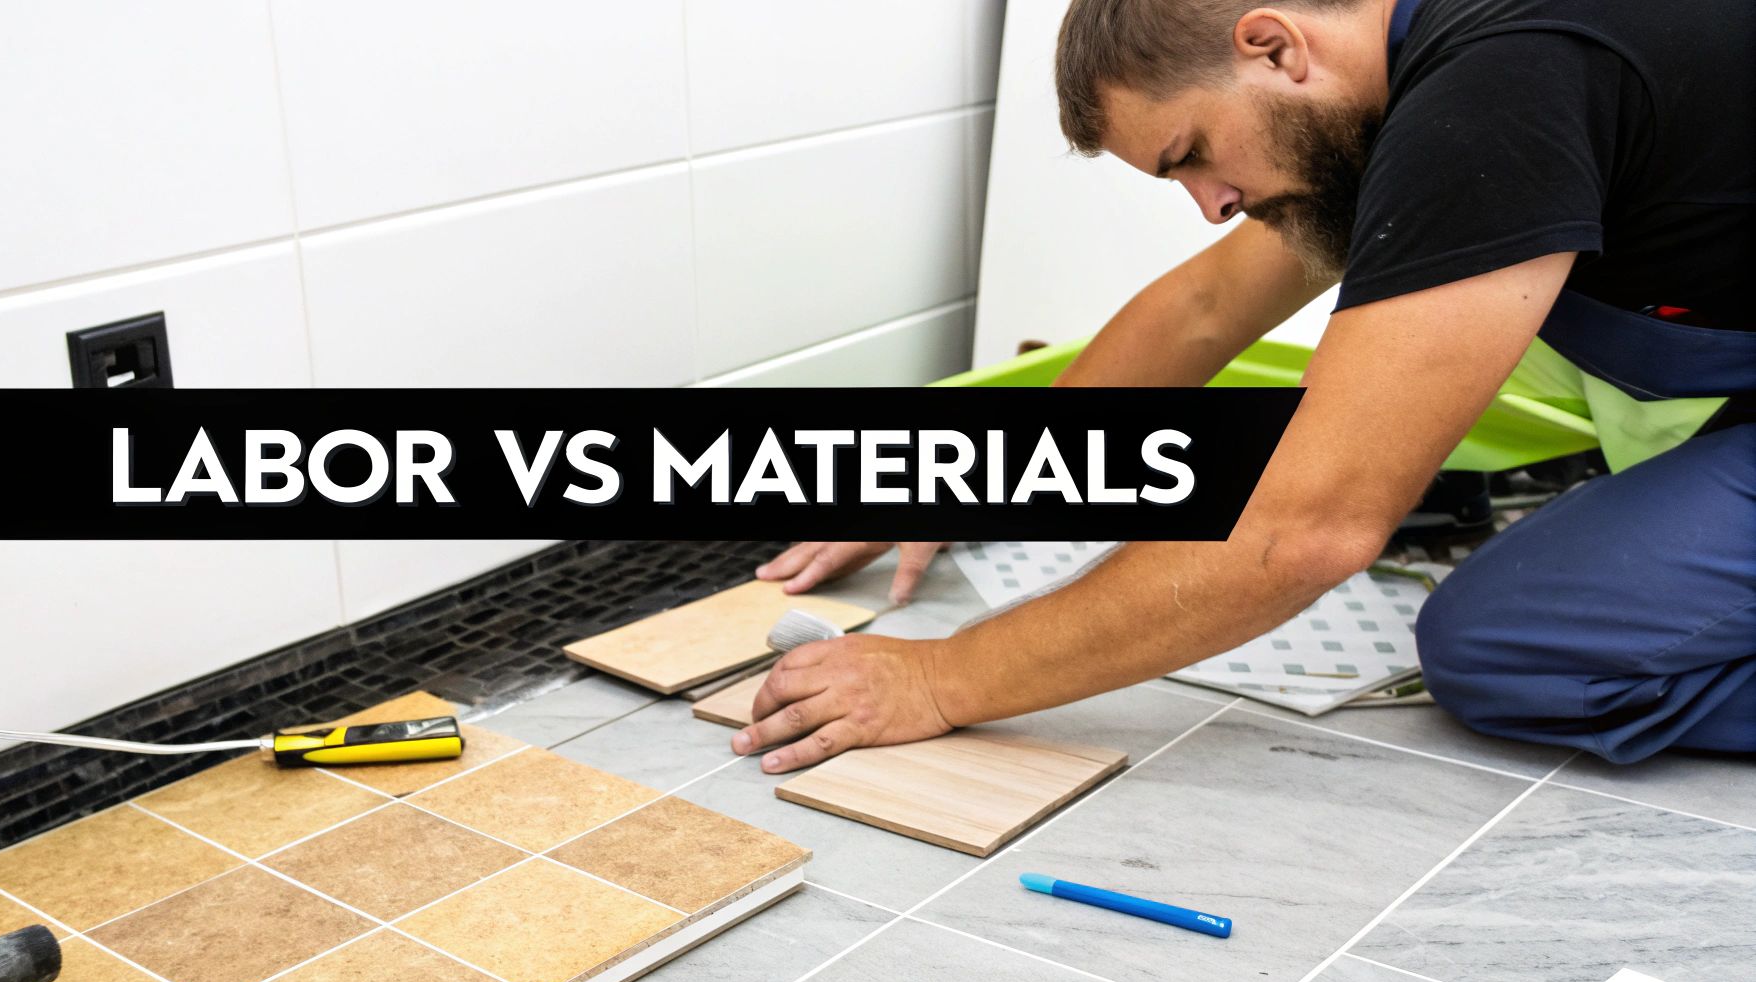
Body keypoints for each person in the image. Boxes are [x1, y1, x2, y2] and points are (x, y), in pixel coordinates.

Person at [737, 0, 1756, 771]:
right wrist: (973, 475)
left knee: (1506, 646)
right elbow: (1202, 310)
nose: (1210, 207)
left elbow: (1303, 533)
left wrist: (939, 676)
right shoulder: (1424, 67)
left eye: (1192, 156)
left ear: (1271, 47)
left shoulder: (1500, 92)